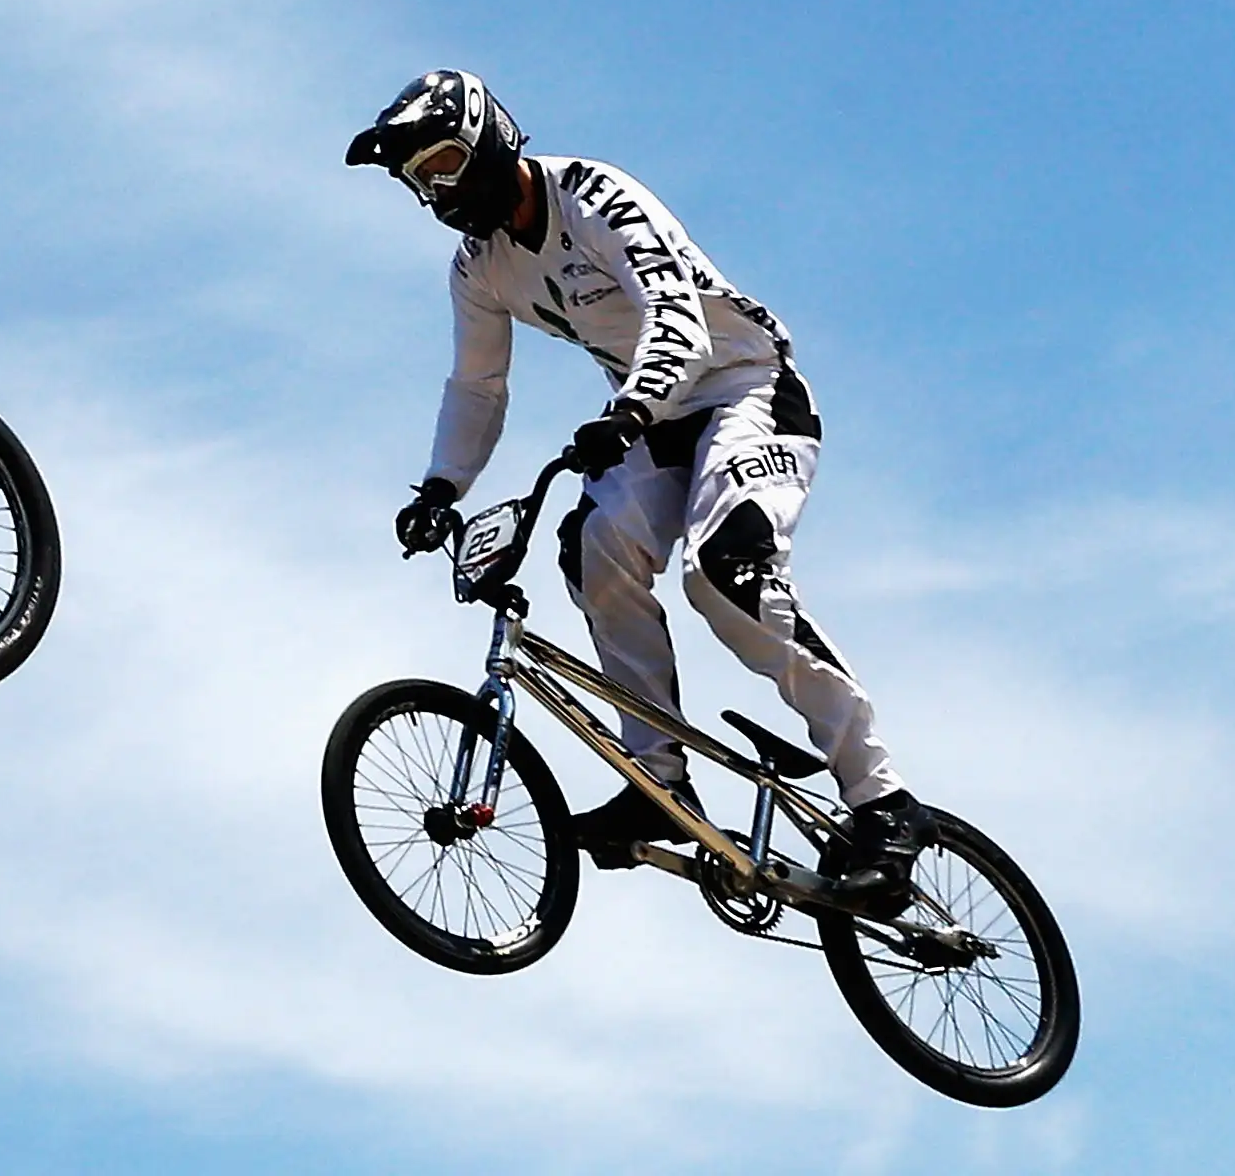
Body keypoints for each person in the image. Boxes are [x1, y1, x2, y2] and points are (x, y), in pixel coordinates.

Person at [348, 68, 928, 896]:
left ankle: (883, 800)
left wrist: (630, 408)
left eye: (442, 163)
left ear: (487, 135)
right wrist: (440, 486)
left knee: (725, 575)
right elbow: (477, 386)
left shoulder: (592, 194)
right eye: (419, 180)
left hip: (743, 388)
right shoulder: (478, 268)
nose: (436, 190)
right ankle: (658, 782)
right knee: (591, 552)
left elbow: (678, 317)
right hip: (650, 420)